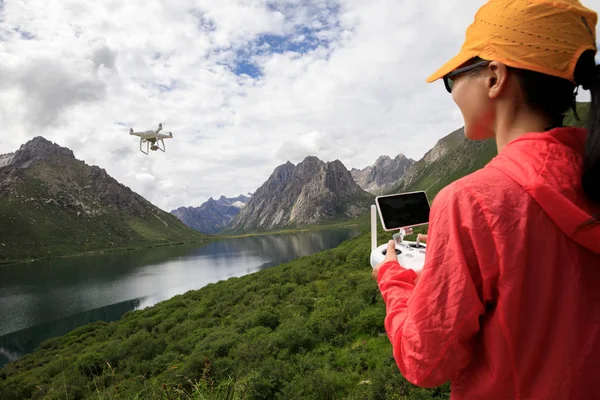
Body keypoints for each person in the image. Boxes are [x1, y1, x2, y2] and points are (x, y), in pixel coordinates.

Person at [372, 0, 600, 398]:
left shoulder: (471, 202)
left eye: (452, 79)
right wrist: (450, 252)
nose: (453, 93)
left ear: (494, 77)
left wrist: (392, 276)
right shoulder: (590, 172)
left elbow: (424, 361)